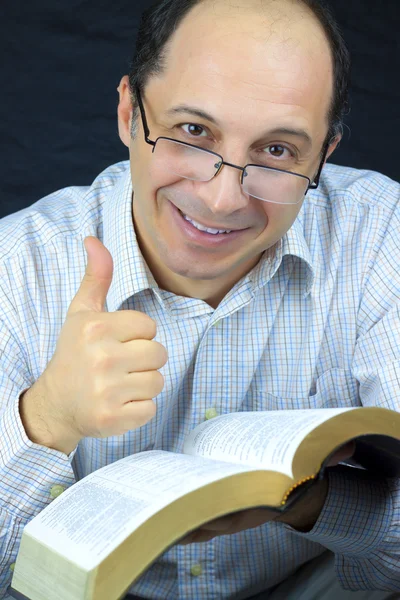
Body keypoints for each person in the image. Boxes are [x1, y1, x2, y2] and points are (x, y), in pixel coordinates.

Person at [0, 0, 399, 598]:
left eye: (278, 151)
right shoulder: (14, 268)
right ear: (129, 112)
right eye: (192, 132)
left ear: (324, 155)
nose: (222, 199)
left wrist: (315, 501)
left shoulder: (380, 239)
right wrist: (48, 418)